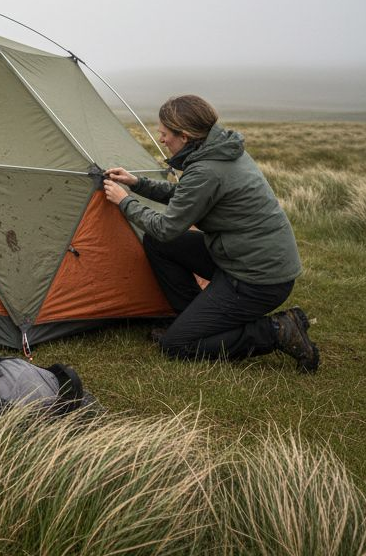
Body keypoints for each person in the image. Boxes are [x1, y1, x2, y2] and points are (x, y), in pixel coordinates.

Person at [102, 95, 320, 372]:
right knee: (157, 244)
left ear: (185, 135)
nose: (161, 139)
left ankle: (276, 330)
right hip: (241, 256)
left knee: (177, 346)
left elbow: (166, 228)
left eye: (165, 134)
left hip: (257, 280)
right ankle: (194, 317)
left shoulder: (208, 169)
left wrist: (125, 200)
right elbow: (187, 196)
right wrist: (137, 184)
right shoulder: (220, 150)